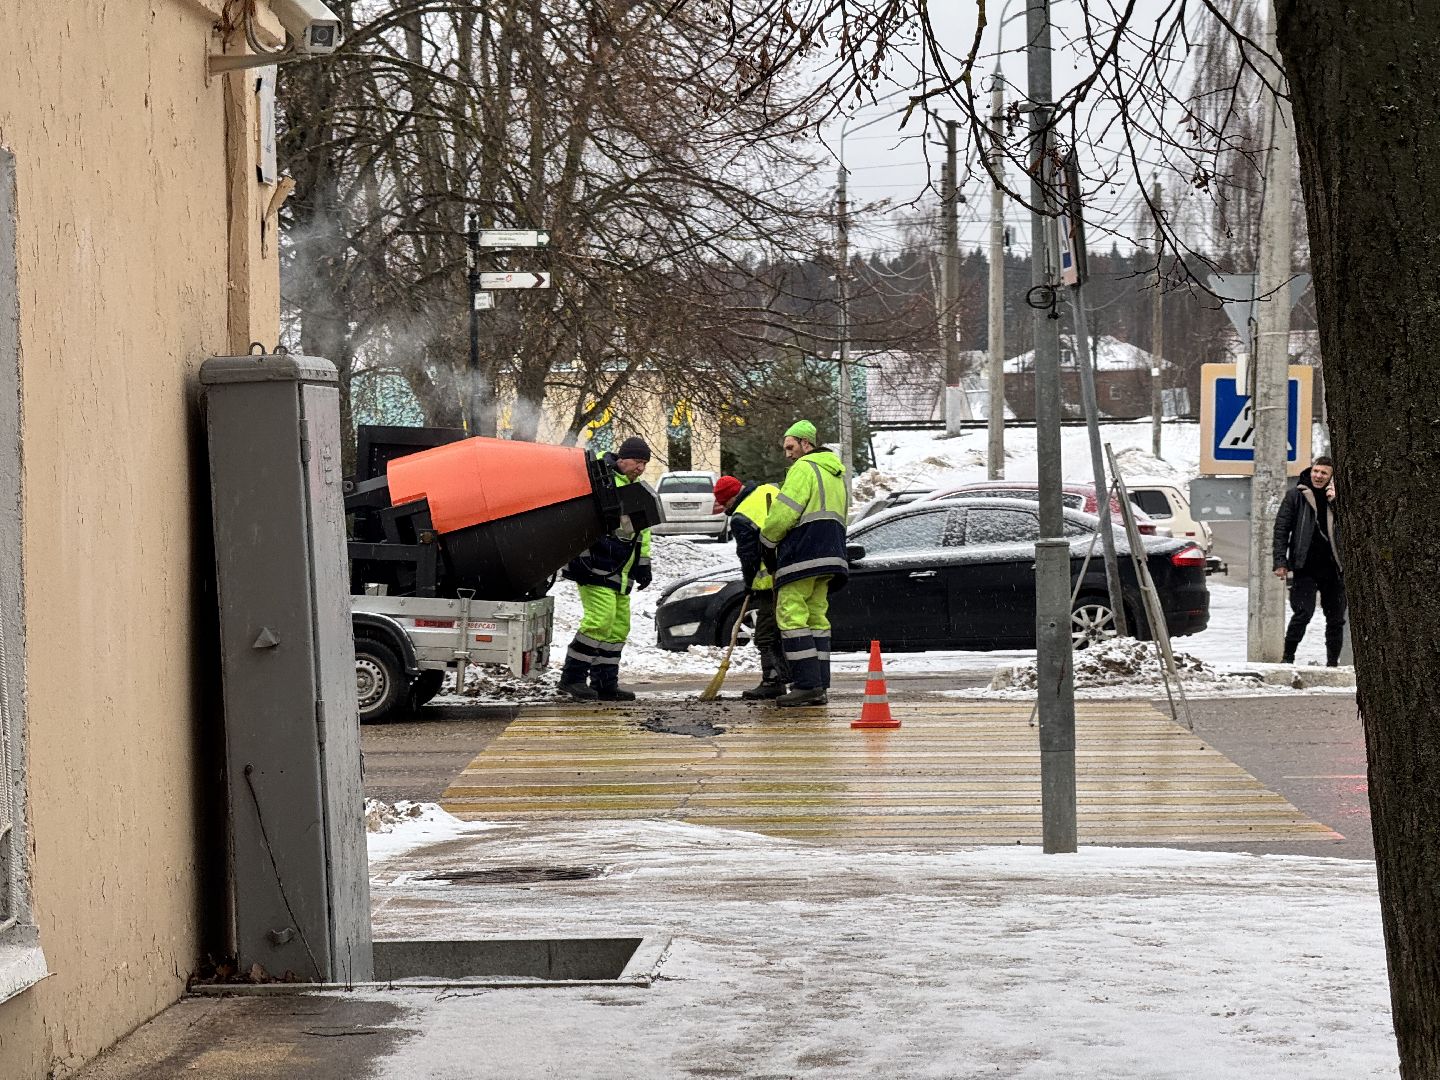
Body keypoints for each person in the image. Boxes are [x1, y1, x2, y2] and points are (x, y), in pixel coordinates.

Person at [760, 420, 848, 707]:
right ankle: (819, 684)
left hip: (802, 553)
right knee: (816, 619)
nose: (787, 454)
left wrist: (767, 541)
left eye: (790, 447)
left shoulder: (804, 468)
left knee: (791, 616)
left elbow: (784, 514)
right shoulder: (835, 473)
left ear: (806, 444)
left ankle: (806, 685)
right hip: (830, 554)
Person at [559, 436, 654, 700]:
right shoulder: (600, 481)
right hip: (596, 566)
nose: (641, 468)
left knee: (617, 627)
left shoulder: (633, 488)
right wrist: (583, 557)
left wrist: (643, 565)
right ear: (622, 458)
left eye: (645, 463)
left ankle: (605, 683)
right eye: (637, 461)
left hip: (619, 569)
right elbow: (580, 522)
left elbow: (641, 533)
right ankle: (572, 678)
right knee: (599, 621)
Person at [714, 473, 790, 699]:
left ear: (729, 499)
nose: (725, 507)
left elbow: (749, 556)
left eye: (723, 502)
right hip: (795, 571)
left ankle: (772, 681)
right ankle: (799, 679)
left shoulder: (740, 517)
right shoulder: (769, 491)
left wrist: (749, 584)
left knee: (766, 634)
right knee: (789, 629)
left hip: (770, 583)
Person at [1272, 454, 1345, 666]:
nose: (1318, 476)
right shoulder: (1296, 495)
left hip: (1334, 567)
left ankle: (1332, 663)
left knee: (1336, 619)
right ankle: (1288, 658)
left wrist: (1336, 502)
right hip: (1304, 566)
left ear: (1331, 476)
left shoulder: (1337, 497)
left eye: (1323, 473)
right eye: (1316, 471)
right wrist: (1280, 561)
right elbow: (1281, 529)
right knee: (1303, 613)